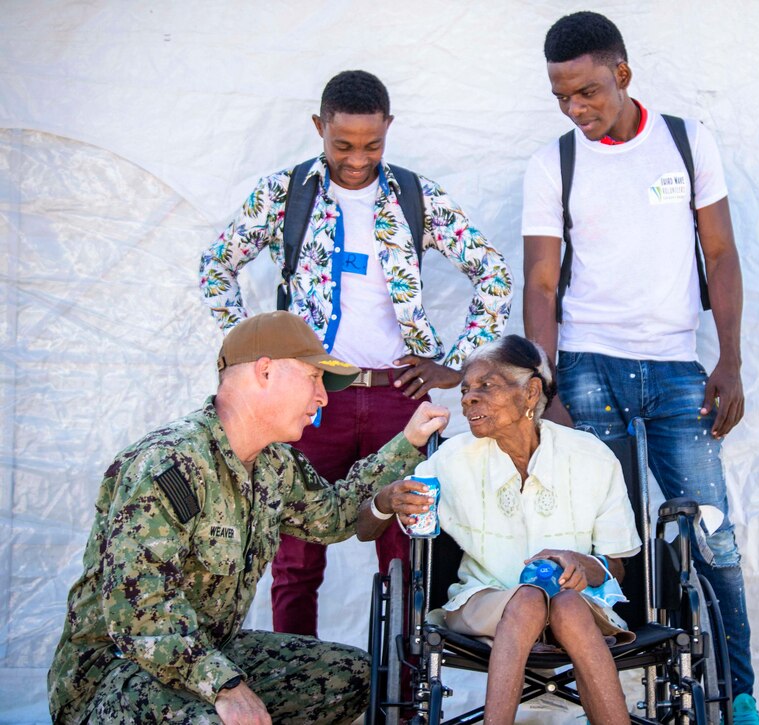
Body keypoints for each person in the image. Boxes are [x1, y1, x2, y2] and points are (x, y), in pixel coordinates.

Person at [198, 70, 511, 637]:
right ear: (319, 127)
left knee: (406, 557)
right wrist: (255, 348)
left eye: (372, 144)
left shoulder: (417, 196)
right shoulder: (284, 195)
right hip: (310, 401)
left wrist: (457, 364)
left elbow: (493, 275)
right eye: (342, 144)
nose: (358, 158)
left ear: (388, 129)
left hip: (398, 398)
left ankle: (404, 696)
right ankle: (297, 692)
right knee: (294, 558)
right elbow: (216, 267)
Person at [520, 11, 759, 722]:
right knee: (612, 542)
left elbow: (719, 253)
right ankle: (628, 696)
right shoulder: (552, 164)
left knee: (710, 535)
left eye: (589, 91)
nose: (577, 109)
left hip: (676, 366)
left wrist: (731, 359)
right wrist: (547, 381)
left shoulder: (687, 143)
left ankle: (738, 693)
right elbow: (540, 281)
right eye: (563, 97)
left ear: (622, 74)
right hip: (588, 364)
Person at [47, 311, 450, 725]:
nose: (324, 397)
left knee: (353, 678)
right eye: (314, 377)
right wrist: (226, 687)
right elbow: (141, 613)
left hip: (210, 653)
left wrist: (407, 441)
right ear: (265, 371)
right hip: (118, 671)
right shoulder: (170, 463)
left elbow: (333, 515)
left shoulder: (275, 463)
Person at [358, 335, 640, 724]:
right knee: (527, 600)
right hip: (483, 602)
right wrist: (386, 500)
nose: (468, 399)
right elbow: (364, 527)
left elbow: (618, 566)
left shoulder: (590, 456)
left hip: (577, 609)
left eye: (486, 386)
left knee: (566, 602)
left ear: (530, 392)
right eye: (466, 389)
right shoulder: (453, 459)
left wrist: (584, 564)